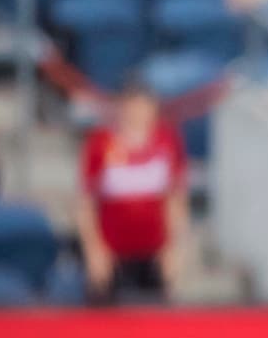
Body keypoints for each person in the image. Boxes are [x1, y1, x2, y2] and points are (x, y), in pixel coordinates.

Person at [77, 80, 189, 305]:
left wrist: (174, 247)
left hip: (154, 251)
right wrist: (94, 250)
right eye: (133, 107)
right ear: (122, 108)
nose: (138, 114)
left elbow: (175, 198)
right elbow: (86, 201)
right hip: (114, 252)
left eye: (144, 107)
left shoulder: (167, 141)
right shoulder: (101, 143)